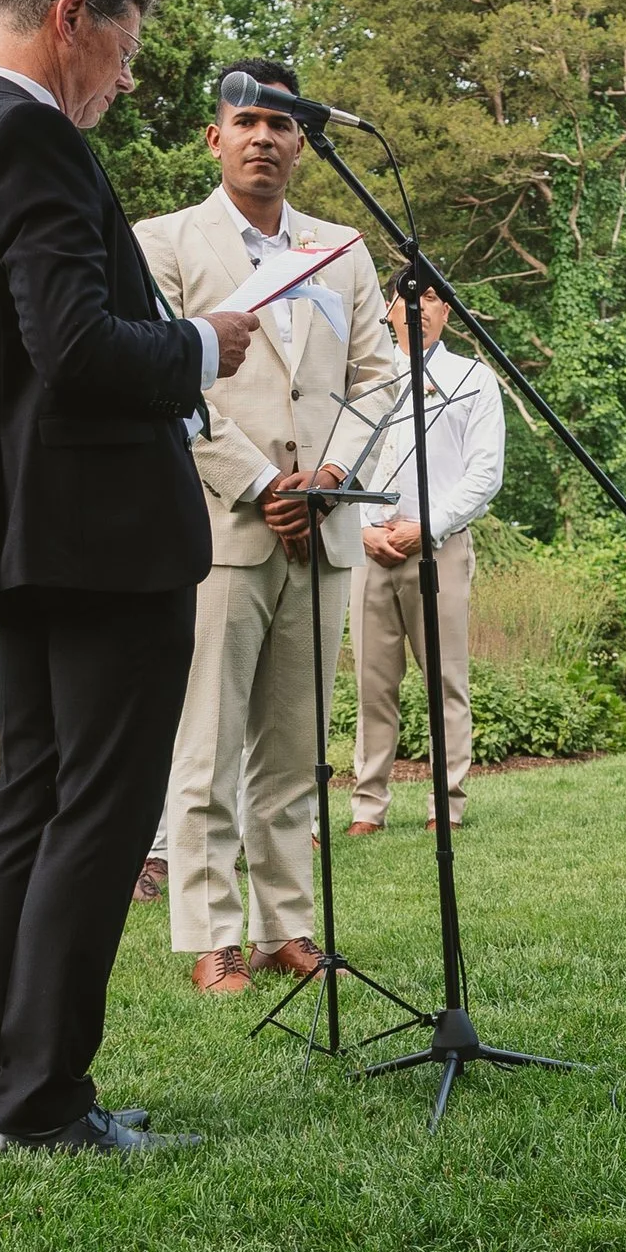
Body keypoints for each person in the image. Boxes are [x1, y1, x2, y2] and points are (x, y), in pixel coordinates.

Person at [0, 0, 256, 1154]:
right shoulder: (31, 136)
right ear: (70, 19)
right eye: (127, 51)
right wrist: (203, 344)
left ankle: (2, 1081)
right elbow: (77, 348)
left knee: (28, 803)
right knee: (98, 808)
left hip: (14, 531)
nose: (127, 80)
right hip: (97, 535)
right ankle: (44, 1103)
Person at [145, 61, 395, 994]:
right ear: (214, 137)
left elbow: (379, 379)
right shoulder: (164, 244)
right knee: (207, 745)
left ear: (302, 142)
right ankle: (208, 932)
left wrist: (329, 479)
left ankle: (285, 924)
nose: (264, 139)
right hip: (221, 529)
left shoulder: (345, 249)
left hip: (323, 531)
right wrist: (262, 484)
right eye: (246, 121)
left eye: (281, 126)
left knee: (295, 750)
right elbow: (169, 384)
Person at [349, 279, 507, 837]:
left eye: (431, 300)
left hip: (438, 549)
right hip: (366, 552)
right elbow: (343, 464)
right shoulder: (366, 379)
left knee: (445, 682)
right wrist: (362, 530)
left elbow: (484, 474)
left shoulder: (473, 380)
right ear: (389, 310)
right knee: (373, 685)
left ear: (446, 310)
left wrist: (426, 528)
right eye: (406, 301)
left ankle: (447, 806)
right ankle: (368, 807)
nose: (418, 311)